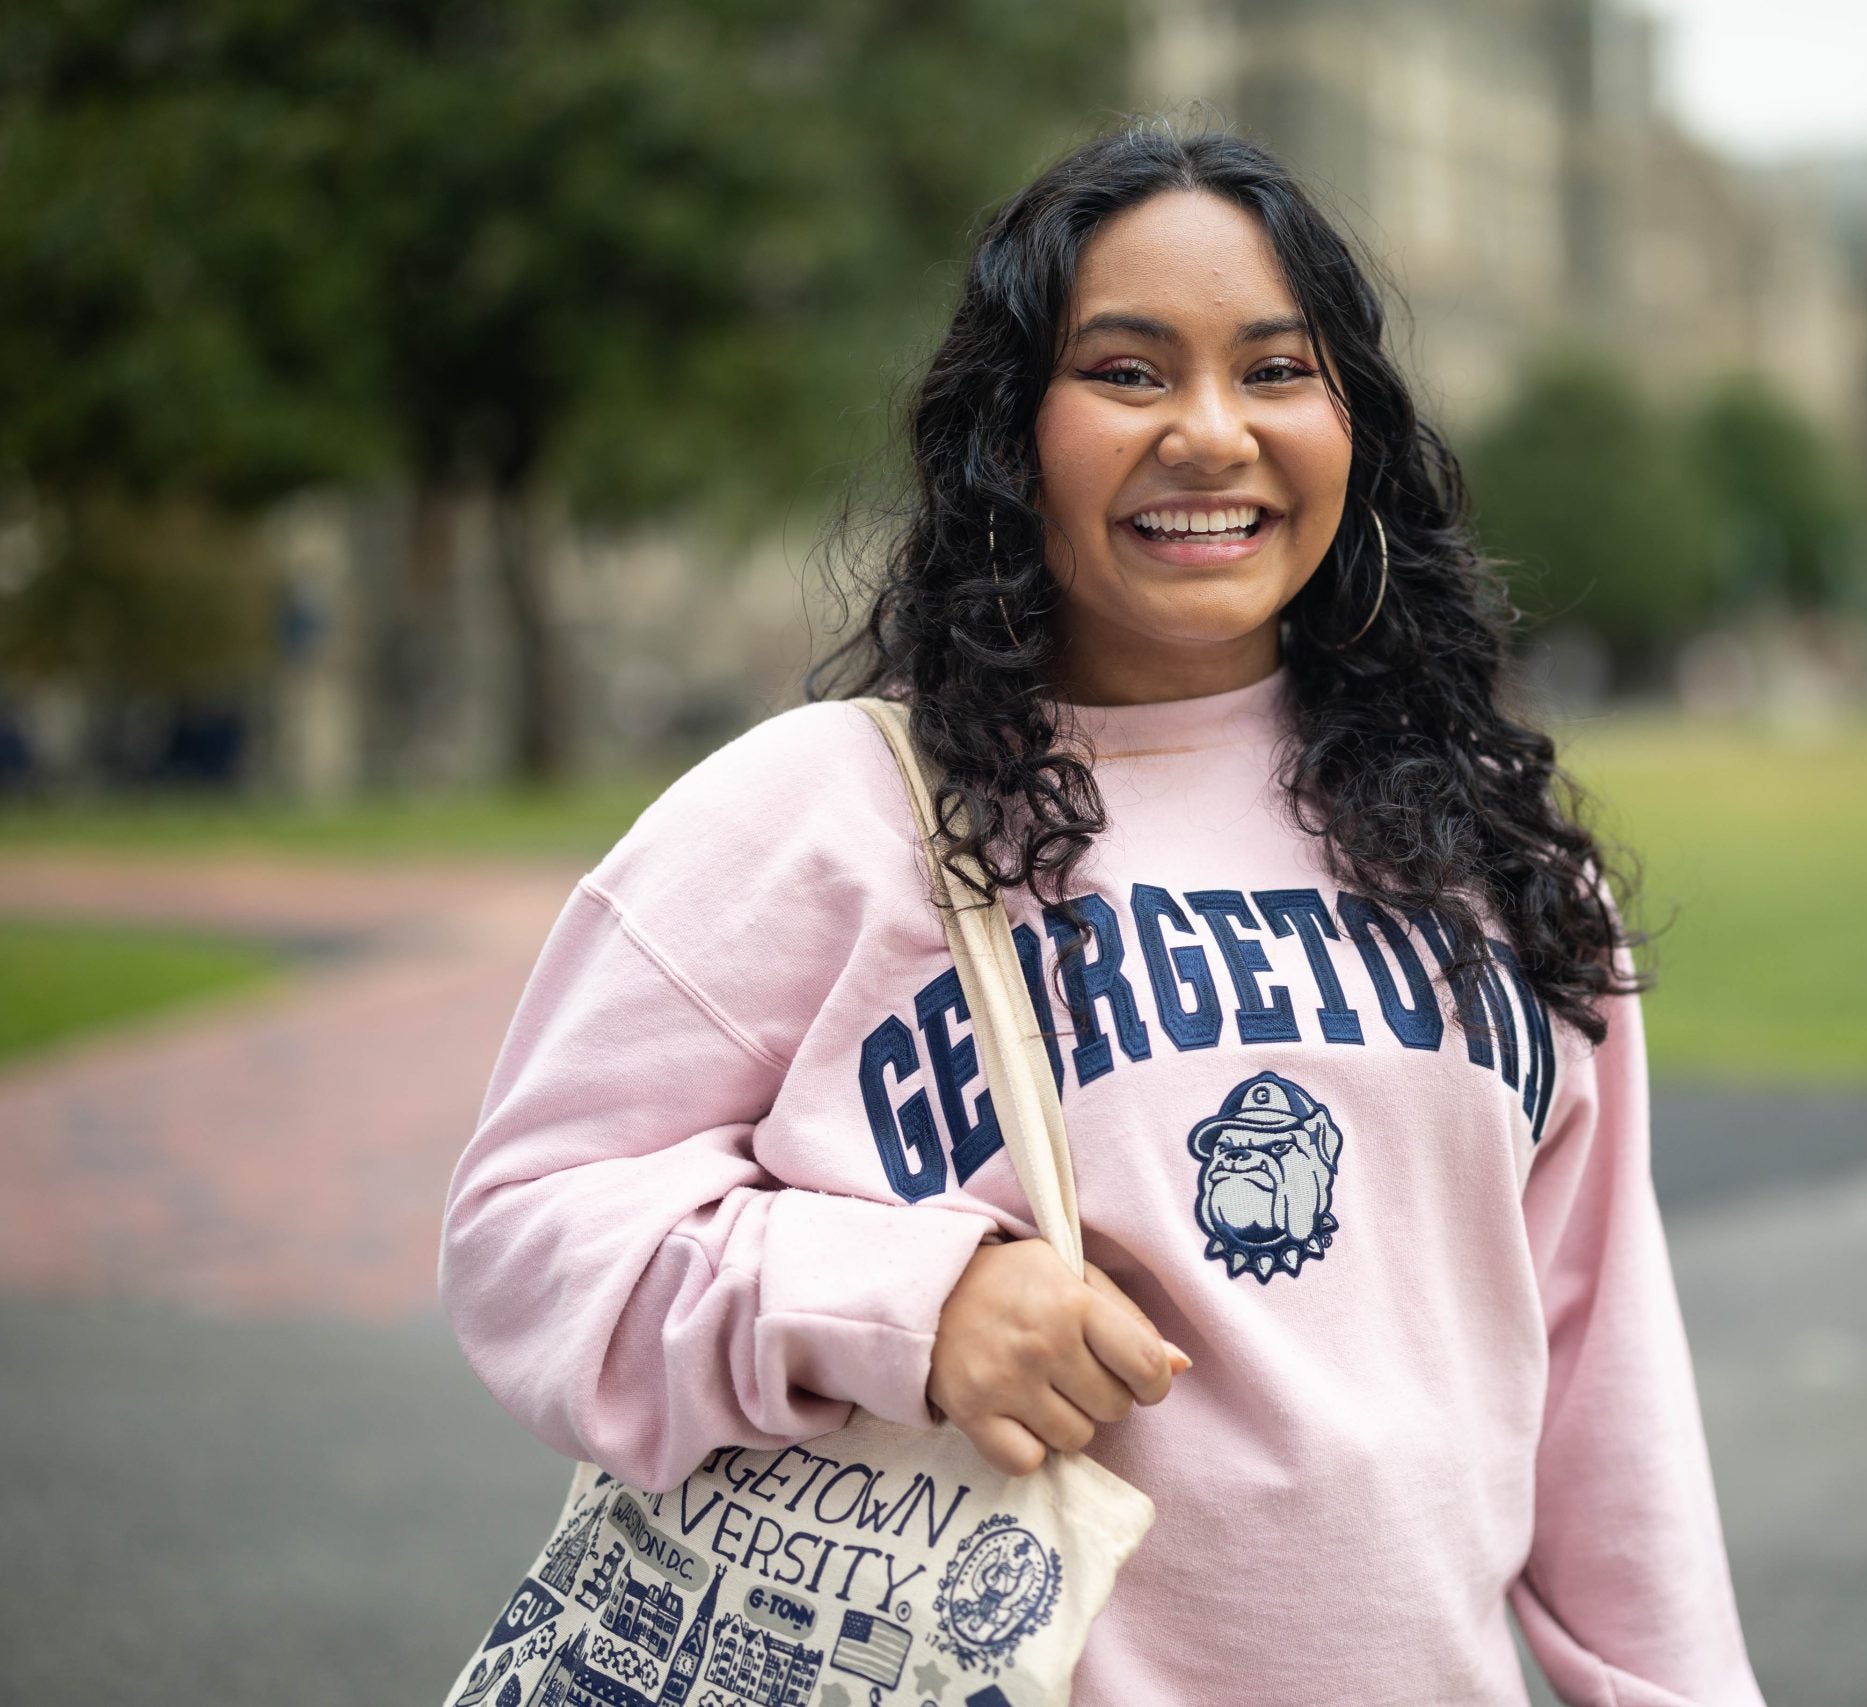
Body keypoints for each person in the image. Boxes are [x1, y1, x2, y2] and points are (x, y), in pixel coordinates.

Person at [441, 122, 1766, 1706]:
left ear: (1355, 426)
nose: (1212, 434)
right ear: (1015, 431)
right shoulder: (818, 814)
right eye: (1129, 373)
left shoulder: (1494, 850)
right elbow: (525, 1232)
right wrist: (906, 1308)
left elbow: (1604, 1382)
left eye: (1277, 370)